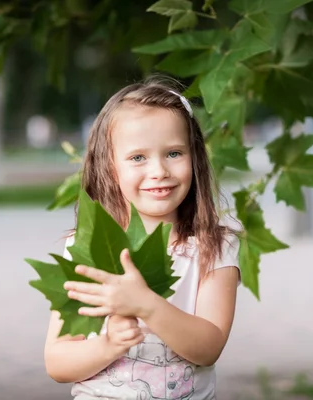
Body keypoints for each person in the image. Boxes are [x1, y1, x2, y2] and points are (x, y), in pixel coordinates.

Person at [44, 78, 241, 400]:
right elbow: (58, 362)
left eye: (174, 153)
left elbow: (209, 348)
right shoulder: (88, 249)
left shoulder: (214, 249)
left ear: (195, 157)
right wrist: (109, 345)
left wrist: (146, 305)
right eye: (138, 157)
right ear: (109, 167)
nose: (159, 170)